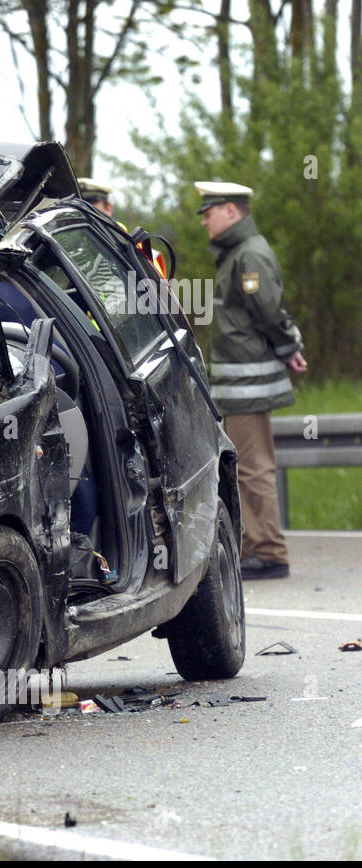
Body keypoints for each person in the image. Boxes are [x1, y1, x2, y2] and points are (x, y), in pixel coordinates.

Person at [196, 180, 307, 580]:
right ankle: (254, 546)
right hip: (239, 384)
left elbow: (267, 311)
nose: (205, 221)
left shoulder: (249, 253)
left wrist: (286, 347)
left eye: (209, 212)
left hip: (249, 384)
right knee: (248, 465)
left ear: (231, 210)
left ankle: (269, 551)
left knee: (253, 467)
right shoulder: (236, 254)